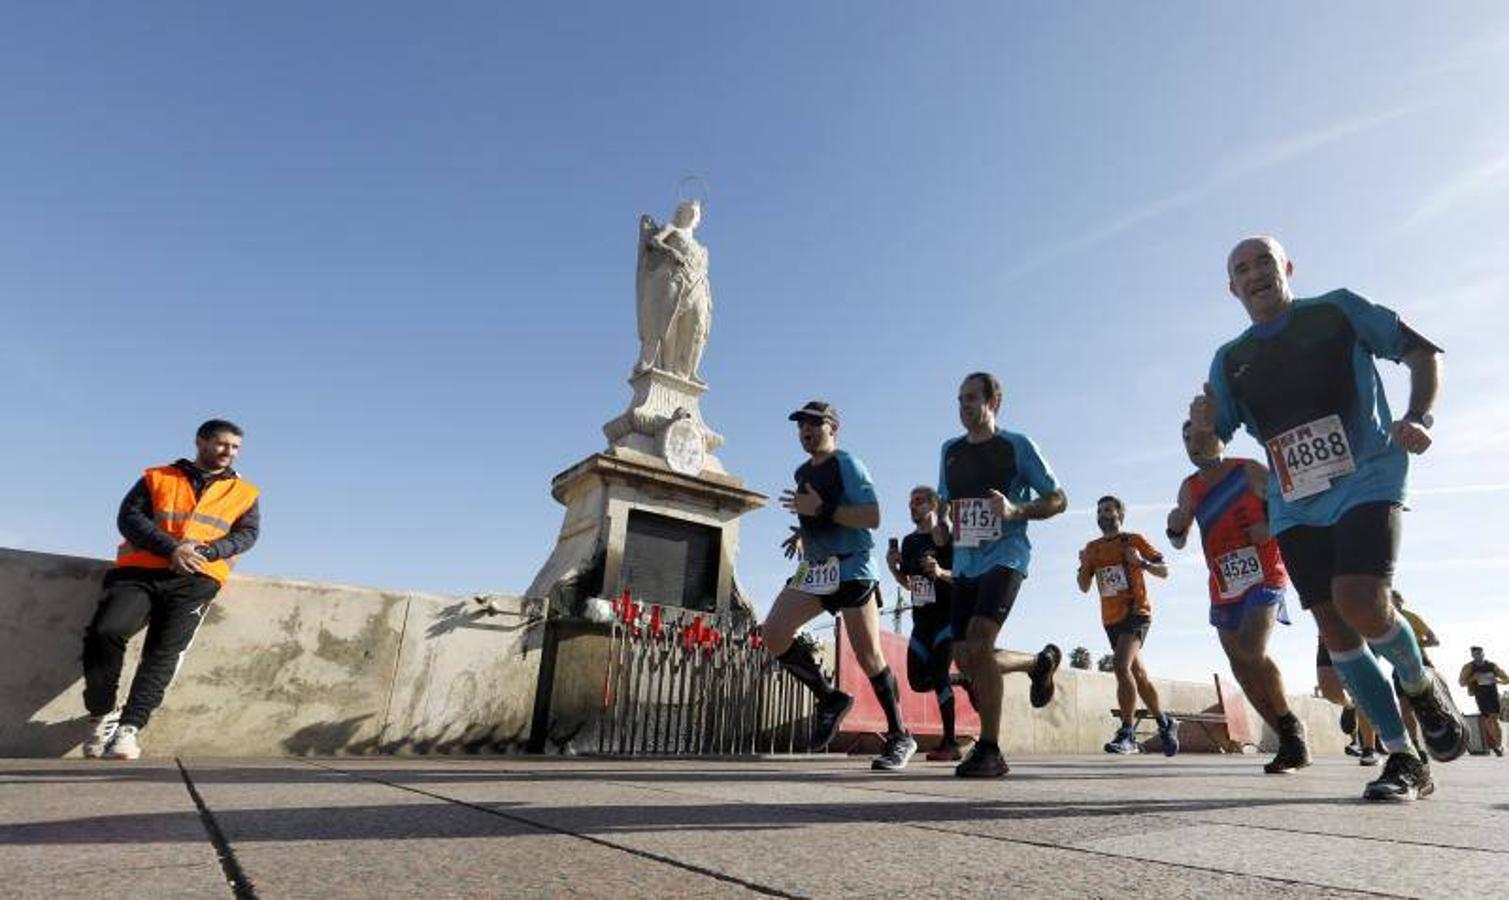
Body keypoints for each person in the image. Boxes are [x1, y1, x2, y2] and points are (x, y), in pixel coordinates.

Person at [1190, 235, 1466, 802]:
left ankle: (1419, 684)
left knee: (1361, 598)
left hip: (1368, 475)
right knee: (1335, 626)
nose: (1255, 273)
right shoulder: (1230, 359)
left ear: (1286, 268)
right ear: (1232, 288)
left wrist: (1419, 415)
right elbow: (1212, 442)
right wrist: (1202, 427)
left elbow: (1421, 351)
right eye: (1241, 269)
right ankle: (1402, 756)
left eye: (1264, 261)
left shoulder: (1336, 310)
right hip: (1296, 504)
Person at [81, 419, 261, 760]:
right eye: (222, 444)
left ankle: (129, 729)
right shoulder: (158, 477)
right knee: (106, 631)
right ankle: (102, 714)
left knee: (163, 654)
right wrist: (172, 549)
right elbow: (130, 518)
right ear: (201, 441)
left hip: (197, 579)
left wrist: (206, 553)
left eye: (235, 447)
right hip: (140, 572)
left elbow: (246, 535)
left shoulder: (245, 493)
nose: (229, 452)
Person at [761, 401, 917, 771]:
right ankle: (830, 698)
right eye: (800, 426)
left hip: (853, 568)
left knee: (869, 657)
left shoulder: (848, 463)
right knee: (774, 633)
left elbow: (872, 517)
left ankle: (900, 735)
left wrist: (822, 512)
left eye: (814, 424)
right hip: (816, 570)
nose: (805, 431)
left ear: (833, 427)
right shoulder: (802, 471)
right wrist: (803, 531)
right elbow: (818, 512)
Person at [934, 372, 1066, 778]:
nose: (964, 407)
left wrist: (1015, 511)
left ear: (995, 402)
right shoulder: (949, 450)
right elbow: (945, 501)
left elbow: (1058, 499)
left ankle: (990, 750)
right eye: (959, 400)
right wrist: (939, 522)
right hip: (964, 562)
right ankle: (1038, 664)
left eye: (972, 398)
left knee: (979, 640)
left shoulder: (1017, 446)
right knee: (966, 656)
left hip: (1006, 555)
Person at [1167, 422, 1309, 772]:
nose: (1193, 444)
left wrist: (1270, 526)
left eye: (1200, 436)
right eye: (1187, 439)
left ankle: (1291, 727)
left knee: (1252, 650)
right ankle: (1289, 740)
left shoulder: (1249, 471)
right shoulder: (1190, 487)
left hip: (1264, 573)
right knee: (1240, 667)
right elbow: (1179, 539)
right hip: (1224, 583)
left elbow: (1295, 501)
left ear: (1221, 438)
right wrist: (1174, 526)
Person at [1078, 496, 1178, 756]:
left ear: (1120, 515)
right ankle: (1166, 723)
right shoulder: (1092, 548)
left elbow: (1164, 570)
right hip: (1110, 619)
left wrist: (1141, 563)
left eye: (1109, 510)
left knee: (1121, 666)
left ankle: (1127, 734)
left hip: (1136, 612)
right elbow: (1084, 586)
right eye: (1099, 511)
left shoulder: (1134, 540)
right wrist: (1083, 564)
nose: (1103, 515)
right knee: (1139, 676)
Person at [886, 486, 962, 761]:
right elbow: (910, 584)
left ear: (932, 505)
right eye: (910, 502)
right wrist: (893, 569)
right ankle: (961, 680)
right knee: (918, 681)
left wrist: (941, 572)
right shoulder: (908, 542)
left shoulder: (946, 537)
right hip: (921, 620)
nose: (912, 506)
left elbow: (964, 578)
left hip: (946, 617)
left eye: (918, 502)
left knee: (939, 675)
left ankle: (950, 742)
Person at [1459, 646, 1508, 756]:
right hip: (1480, 695)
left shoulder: (1491, 666)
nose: (1478, 656)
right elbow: (1461, 683)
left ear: (1483, 654)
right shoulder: (1469, 667)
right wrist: (1473, 678)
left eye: (1480, 653)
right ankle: (1495, 744)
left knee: (1494, 719)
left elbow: (1507, 679)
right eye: (1476, 654)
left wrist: (1498, 681)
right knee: (1488, 720)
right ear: (1472, 655)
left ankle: (1499, 746)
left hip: (1493, 694)